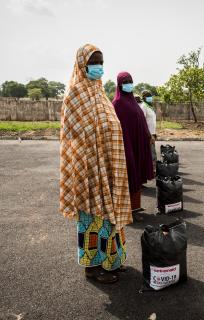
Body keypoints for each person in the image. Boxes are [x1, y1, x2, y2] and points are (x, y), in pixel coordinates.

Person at [60, 44, 132, 284]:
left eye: (101, 62)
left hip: (109, 166)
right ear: (82, 64)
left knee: (111, 217)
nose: (98, 67)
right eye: (94, 62)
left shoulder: (100, 92)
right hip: (88, 168)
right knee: (93, 219)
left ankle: (112, 260)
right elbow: (72, 134)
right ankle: (93, 267)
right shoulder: (75, 93)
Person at [112, 72, 154, 216]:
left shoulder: (133, 102)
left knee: (138, 174)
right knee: (130, 175)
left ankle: (136, 206)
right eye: (125, 81)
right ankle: (127, 210)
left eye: (130, 81)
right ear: (119, 84)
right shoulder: (117, 103)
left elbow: (140, 120)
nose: (129, 84)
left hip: (138, 144)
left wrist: (148, 135)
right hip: (126, 146)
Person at [141, 90, 157, 171]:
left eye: (150, 95)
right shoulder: (144, 106)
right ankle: (152, 170)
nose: (150, 97)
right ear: (144, 98)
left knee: (152, 151)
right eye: (148, 96)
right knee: (152, 153)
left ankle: (152, 169)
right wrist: (149, 134)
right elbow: (143, 121)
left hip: (153, 133)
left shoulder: (150, 106)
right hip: (148, 134)